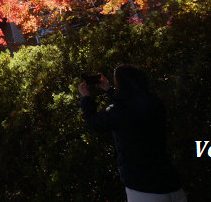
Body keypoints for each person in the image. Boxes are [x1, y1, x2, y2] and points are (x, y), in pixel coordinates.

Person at [78, 64, 186, 202]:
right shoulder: (155, 102)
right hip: (171, 183)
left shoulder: (120, 110)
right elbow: (129, 105)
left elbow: (94, 122)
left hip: (144, 188)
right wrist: (109, 90)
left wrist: (86, 98)